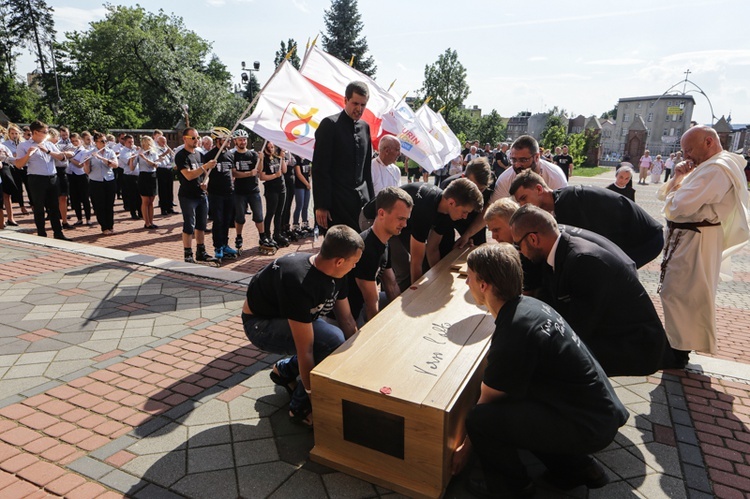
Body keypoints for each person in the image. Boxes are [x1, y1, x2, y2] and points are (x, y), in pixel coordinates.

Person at [451, 244, 628, 497]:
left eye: (469, 276)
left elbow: (487, 401)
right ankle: (576, 468)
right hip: (598, 411)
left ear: (484, 285)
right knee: (521, 401)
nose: (466, 281)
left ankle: (513, 488)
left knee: (480, 421)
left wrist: (465, 449)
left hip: (588, 424)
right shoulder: (530, 306)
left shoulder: (514, 330)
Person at [509, 205, 668, 376]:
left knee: (549, 364)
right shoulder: (560, 252)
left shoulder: (582, 261)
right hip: (611, 333)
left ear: (533, 239)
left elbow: (579, 327)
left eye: (517, 245)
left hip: (635, 345)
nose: (520, 252)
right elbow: (549, 305)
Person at [241, 225, 363, 427]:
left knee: (333, 338)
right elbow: (305, 349)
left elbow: (347, 320)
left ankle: (285, 370)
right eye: (354, 262)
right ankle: (298, 407)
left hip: (286, 319)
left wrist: (357, 360)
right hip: (259, 325)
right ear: (339, 261)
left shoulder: (338, 273)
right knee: (330, 339)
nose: (355, 266)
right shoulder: (298, 281)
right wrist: (313, 397)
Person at [657, 126, 750, 367]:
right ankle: (678, 344)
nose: (686, 155)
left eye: (689, 149)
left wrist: (675, 196)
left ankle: (678, 351)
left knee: (682, 293)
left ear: (708, 141)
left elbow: (680, 207)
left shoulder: (716, 169)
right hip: (692, 237)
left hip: (695, 239)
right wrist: (678, 179)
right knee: (682, 293)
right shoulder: (710, 166)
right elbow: (674, 199)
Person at [510, 169, 663, 268]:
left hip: (646, 239)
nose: (523, 206)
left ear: (538, 189)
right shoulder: (563, 197)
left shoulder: (567, 203)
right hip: (637, 236)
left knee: (614, 275)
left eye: (524, 198)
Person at [362, 178, 483, 290]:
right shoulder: (425, 209)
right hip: (375, 219)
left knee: (422, 265)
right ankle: (398, 305)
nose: (465, 217)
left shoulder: (446, 212)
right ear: (451, 203)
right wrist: (418, 294)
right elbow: (416, 261)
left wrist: (440, 279)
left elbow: (432, 249)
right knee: (403, 270)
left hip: (402, 223)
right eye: (464, 212)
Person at [312, 81, 374, 232]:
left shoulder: (365, 127)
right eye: (355, 103)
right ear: (345, 100)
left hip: (361, 204)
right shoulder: (330, 125)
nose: (359, 109)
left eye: (363, 105)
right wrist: (321, 205)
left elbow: (366, 169)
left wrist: (372, 203)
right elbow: (320, 168)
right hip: (337, 204)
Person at [348, 187, 412, 325]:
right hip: (349, 313)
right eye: (400, 218)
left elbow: (391, 284)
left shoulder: (384, 241)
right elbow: (372, 304)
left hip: (363, 303)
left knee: (406, 301)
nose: (405, 224)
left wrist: (401, 318)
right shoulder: (367, 248)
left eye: (406, 219)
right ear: (381, 213)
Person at [13, 121, 69, 240]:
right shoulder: (23, 146)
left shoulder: (48, 144)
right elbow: (18, 164)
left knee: (54, 207)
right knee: (39, 207)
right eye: (44, 132)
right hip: (37, 179)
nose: (46, 134)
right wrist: (28, 154)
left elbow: (62, 157)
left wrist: (48, 151)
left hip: (52, 178)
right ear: (36, 132)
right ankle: (41, 234)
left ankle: (58, 233)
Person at [174, 127, 218, 264]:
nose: (196, 140)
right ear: (185, 139)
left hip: (201, 195)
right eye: (193, 138)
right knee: (189, 225)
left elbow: (206, 175)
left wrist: (206, 182)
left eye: (198, 137)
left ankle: (201, 251)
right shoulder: (181, 155)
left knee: (201, 225)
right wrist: (205, 167)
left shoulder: (199, 154)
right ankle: (188, 253)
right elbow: (188, 175)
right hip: (188, 195)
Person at [489, 135, 567, 203]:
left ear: (537, 157)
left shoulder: (555, 177)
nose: (517, 165)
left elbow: (564, 211)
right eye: (514, 160)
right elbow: (491, 212)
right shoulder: (505, 178)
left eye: (523, 160)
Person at [203, 132, 238, 259]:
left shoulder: (230, 155)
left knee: (227, 220)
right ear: (218, 140)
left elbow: (232, 172)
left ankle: (225, 244)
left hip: (229, 192)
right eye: (226, 139)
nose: (229, 142)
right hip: (216, 194)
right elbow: (205, 175)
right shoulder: (209, 156)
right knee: (218, 220)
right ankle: (218, 246)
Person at [231, 130, 263, 253]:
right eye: (240, 139)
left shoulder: (253, 154)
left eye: (244, 139)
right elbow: (234, 173)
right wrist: (249, 173)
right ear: (235, 141)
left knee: (259, 216)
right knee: (240, 217)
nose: (243, 141)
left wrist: (261, 159)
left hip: (254, 191)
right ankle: (239, 237)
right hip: (239, 192)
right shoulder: (233, 156)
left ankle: (262, 236)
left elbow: (259, 170)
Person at [81, 132, 119, 234]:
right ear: (96, 142)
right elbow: (87, 171)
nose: (105, 143)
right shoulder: (89, 153)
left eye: (105, 141)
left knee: (109, 205)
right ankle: (104, 227)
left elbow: (115, 165)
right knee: (99, 205)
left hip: (109, 180)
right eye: (102, 141)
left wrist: (101, 158)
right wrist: (86, 164)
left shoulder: (110, 152)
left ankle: (111, 226)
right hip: (96, 182)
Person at [259, 141, 288, 248]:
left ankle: (277, 233)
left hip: (281, 188)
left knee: (279, 213)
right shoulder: (265, 160)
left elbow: (284, 170)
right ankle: (267, 234)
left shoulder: (277, 157)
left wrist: (283, 158)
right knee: (271, 212)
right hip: (271, 190)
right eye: (269, 147)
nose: (271, 149)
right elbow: (262, 176)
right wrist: (275, 175)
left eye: (272, 147)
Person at [133, 135, 160, 230]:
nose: (148, 144)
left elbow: (155, 165)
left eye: (149, 142)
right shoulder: (139, 153)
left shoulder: (153, 153)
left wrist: (145, 158)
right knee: (145, 201)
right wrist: (132, 158)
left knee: (151, 201)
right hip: (143, 176)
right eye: (146, 142)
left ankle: (151, 221)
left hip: (152, 176)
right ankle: (147, 222)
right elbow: (132, 167)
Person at [66, 133, 92, 226]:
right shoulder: (70, 150)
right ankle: (79, 219)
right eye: (72, 141)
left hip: (82, 175)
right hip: (72, 175)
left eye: (76, 140)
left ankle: (88, 219)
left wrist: (70, 158)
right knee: (75, 198)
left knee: (84, 198)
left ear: (80, 140)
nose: (74, 143)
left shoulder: (84, 151)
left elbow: (80, 164)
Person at [155, 135, 176, 216]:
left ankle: (170, 208)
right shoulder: (156, 149)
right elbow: (157, 158)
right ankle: (163, 209)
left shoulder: (168, 149)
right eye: (162, 141)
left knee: (169, 189)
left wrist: (174, 165)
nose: (164, 143)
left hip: (169, 169)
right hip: (161, 169)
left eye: (165, 141)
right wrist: (165, 153)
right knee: (163, 189)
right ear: (158, 142)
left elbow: (172, 159)